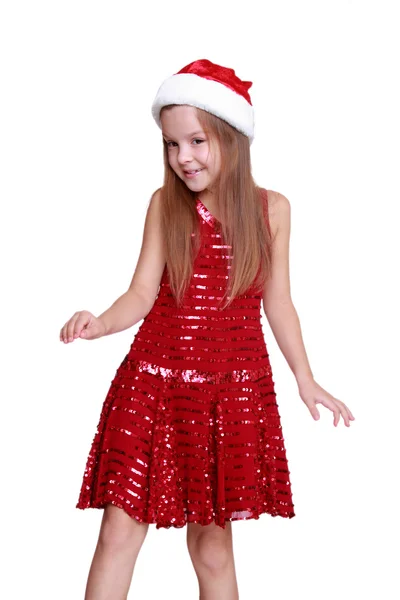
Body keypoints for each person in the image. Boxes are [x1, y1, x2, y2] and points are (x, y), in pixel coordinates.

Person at [60, 58, 355, 600]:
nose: (183, 158)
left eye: (196, 141)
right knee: (118, 530)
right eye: (172, 145)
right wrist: (101, 323)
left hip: (227, 392)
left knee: (213, 547)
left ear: (232, 137)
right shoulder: (165, 206)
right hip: (152, 385)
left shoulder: (273, 211)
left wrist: (305, 378)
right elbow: (142, 293)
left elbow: (280, 302)